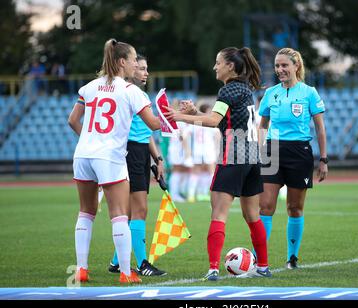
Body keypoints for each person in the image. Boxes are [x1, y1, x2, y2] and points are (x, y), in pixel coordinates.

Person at [166, 47, 271, 280]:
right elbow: (228, 120)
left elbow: (214, 121)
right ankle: (263, 266)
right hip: (252, 158)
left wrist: (181, 117)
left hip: (233, 156)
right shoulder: (245, 89)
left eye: (218, 63)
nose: (215, 67)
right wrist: (195, 111)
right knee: (253, 216)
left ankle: (213, 268)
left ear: (230, 66)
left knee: (218, 214)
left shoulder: (227, 90)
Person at [68, 39, 160, 284]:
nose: (135, 65)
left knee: (85, 213)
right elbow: (154, 124)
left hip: (84, 154)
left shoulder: (89, 87)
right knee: (119, 214)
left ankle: (81, 270)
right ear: (122, 62)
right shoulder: (131, 91)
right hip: (110, 156)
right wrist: (180, 116)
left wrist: (92, 139)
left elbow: (72, 120)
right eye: (132, 61)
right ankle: (126, 272)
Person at [258, 48, 328, 269]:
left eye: (284, 65)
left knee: (294, 208)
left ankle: (292, 257)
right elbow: (262, 125)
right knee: (265, 206)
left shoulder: (309, 93)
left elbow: (320, 128)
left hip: (300, 153)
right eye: (277, 66)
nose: (280, 70)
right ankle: (260, 259)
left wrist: (323, 159)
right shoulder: (270, 93)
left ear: (296, 66)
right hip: (273, 151)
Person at [108, 54, 167, 277]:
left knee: (133, 211)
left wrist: (158, 159)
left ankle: (116, 262)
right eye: (141, 68)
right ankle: (142, 263)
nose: (145, 72)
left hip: (140, 151)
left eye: (146, 68)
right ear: (130, 68)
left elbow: (146, 131)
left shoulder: (138, 94)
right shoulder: (126, 93)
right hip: (130, 151)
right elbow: (149, 127)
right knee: (139, 209)